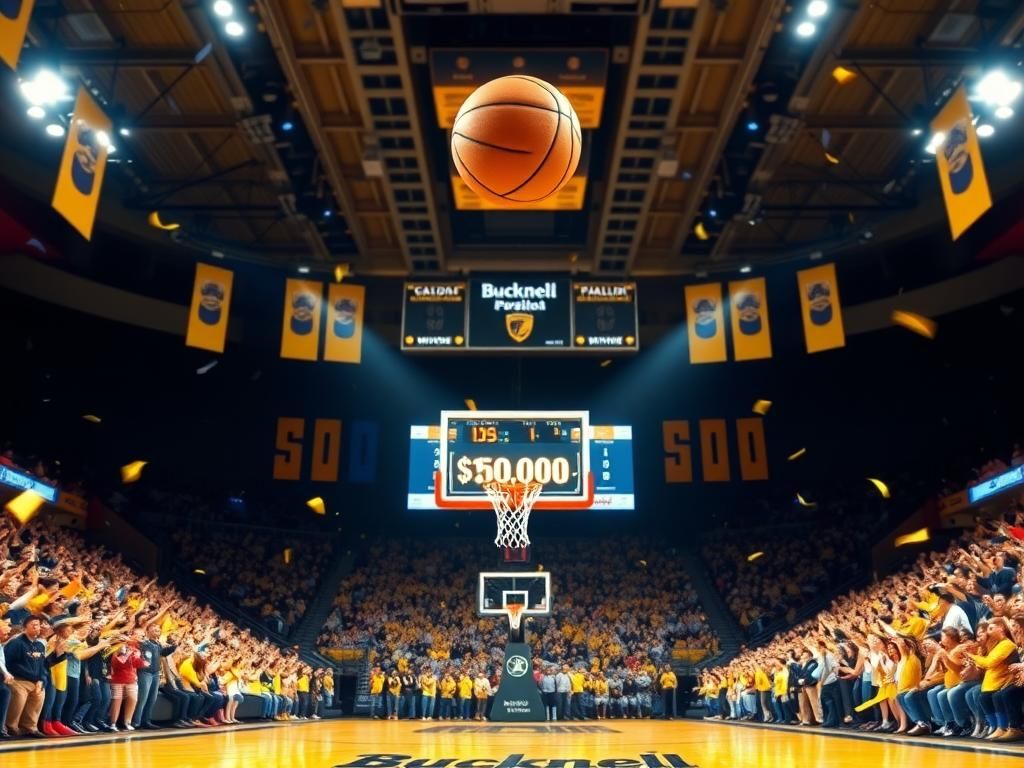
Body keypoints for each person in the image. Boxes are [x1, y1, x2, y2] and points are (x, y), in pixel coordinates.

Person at [4, 615, 47, 738]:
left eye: (38, 625)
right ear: (24, 628)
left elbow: (43, 666)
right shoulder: (16, 643)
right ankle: (11, 726)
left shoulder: (40, 645)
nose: (36, 627)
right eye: (33, 625)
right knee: (19, 695)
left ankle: (29, 727)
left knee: (39, 695)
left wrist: (41, 680)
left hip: (35, 680)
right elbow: (11, 664)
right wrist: (35, 677)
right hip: (17, 679)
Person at [108, 641, 146, 731]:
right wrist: (128, 655)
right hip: (117, 680)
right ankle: (113, 723)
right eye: (121, 646)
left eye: (124, 646)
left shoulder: (131, 653)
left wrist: (139, 656)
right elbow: (119, 664)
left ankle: (127, 722)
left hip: (131, 680)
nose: (123, 648)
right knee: (116, 701)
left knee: (133, 700)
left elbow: (140, 664)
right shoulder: (113, 654)